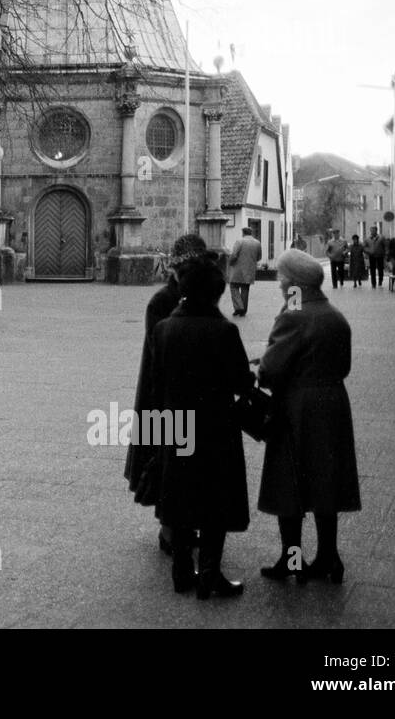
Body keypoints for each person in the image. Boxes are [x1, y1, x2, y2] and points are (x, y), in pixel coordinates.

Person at [148, 252, 252, 598]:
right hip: (215, 427)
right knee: (214, 498)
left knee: (178, 495)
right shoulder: (224, 331)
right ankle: (209, 573)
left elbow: (154, 382)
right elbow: (241, 383)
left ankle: (181, 573)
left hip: (174, 425)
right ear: (215, 294)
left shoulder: (163, 330)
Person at [257, 249, 361, 584]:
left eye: (281, 278)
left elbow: (271, 371)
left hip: (298, 406)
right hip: (333, 403)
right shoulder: (334, 314)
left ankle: (292, 559)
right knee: (325, 480)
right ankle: (329, 557)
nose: (278, 284)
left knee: (290, 484)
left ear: (292, 282)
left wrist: (263, 366)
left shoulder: (294, 315)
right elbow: (343, 366)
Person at [125, 233, 208, 556]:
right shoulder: (162, 301)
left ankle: (186, 526)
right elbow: (157, 348)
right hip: (162, 390)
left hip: (191, 391)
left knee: (187, 461)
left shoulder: (201, 297)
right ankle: (170, 530)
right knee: (166, 460)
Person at [227, 227, 262, 316]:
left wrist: (230, 263)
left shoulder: (239, 241)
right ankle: (243, 310)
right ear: (251, 233)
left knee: (233, 286)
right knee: (245, 289)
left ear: (243, 233)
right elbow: (259, 257)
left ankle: (239, 307)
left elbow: (234, 255)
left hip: (238, 269)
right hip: (250, 269)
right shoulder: (257, 243)